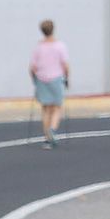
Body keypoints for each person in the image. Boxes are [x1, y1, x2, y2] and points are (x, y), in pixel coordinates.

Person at [28, 19, 70, 149]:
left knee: (45, 109)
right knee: (57, 107)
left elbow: (32, 67)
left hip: (41, 79)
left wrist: (34, 80)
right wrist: (67, 78)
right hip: (56, 78)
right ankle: (53, 128)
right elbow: (65, 65)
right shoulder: (60, 46)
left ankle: (47, 138)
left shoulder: (38, 47)